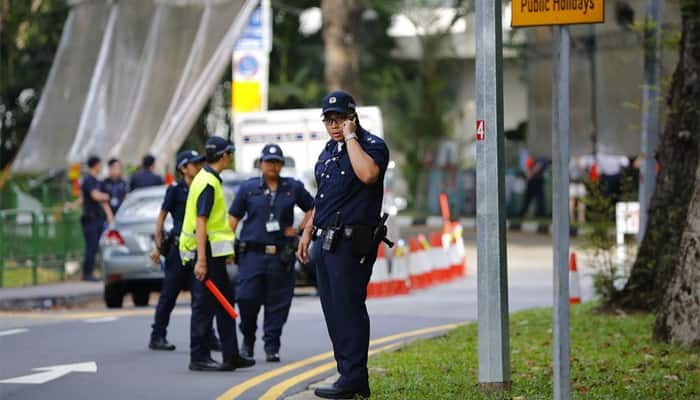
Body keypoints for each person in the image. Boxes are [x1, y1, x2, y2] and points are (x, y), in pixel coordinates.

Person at [297, 91, 389, 399]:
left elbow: (367, 175)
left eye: (340, 120)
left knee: (349, 309)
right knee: (333, 310)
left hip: (352, 244)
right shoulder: (328, 151)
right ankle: (346, 375)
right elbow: (324, 198)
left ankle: (354, 377)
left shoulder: (371, 146)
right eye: (329, 121)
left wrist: (351, 138)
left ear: (353, 117)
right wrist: (308, 231)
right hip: (325, 241)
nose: (334, 126)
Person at [228, 144, 314, 363]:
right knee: (247, 299)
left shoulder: (292, 187)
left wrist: (300, 231)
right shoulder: (248, 188)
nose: (273, 166)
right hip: (252, 255)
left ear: (282, 165)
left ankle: (272, 346)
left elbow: (313, 208)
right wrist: (226, 248)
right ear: (261, 163)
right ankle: (247, 340)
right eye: (269, 162)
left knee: (278, 303)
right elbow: (233, 219)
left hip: (280, 256)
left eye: (277, 162)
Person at [179, 136, 255, 372]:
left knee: (224, 304)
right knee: (203, 306)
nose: (230, 157)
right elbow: (201, 222)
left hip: (214, 255)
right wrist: (201, 260)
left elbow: (214, 225)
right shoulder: (208, 184)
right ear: (224, 156)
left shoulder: (206, 179)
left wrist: (226, 253)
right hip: (205, 256)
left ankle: (231, 354)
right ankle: (198, 356)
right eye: (229, 154)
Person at [148, 150, 220, 352]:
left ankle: (209, 336)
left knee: (202, 296)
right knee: (169, 294)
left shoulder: (202, 186)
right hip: (178, 250)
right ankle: (158, 335)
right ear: (183, 168)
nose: (198, 167)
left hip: (198, 250)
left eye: (199, 163)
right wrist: (158, 245)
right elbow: (161, 217)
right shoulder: (175, 190)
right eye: (194, 164)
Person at [79, 156, 114, 281]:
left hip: (98, 218)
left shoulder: (96, 180)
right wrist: (108, 196)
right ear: (95, 165)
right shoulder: (88, 180)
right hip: (90, 219)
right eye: (99, 165)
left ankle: (94, 272)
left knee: (98, 246)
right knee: (91, 247)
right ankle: (87, 274)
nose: (101, 167)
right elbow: (94, 196)